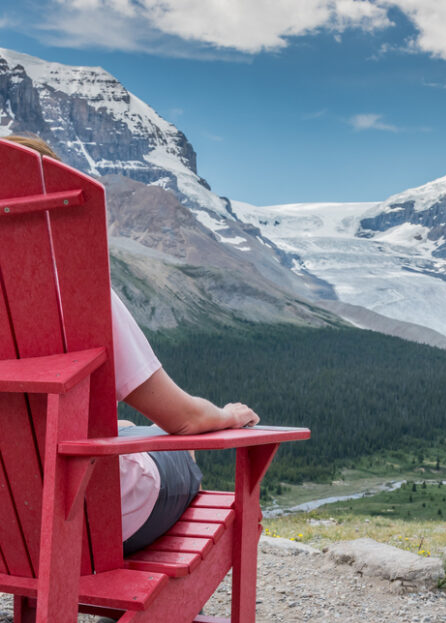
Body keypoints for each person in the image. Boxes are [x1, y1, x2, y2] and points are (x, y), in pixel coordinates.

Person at [3, 134, 260, 554]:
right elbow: (185, 420)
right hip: (90, 527)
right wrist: (228, 414)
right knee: (183, 456)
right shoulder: (79, 293)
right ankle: (160, 605)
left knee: (124, 431)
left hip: (9, 534)